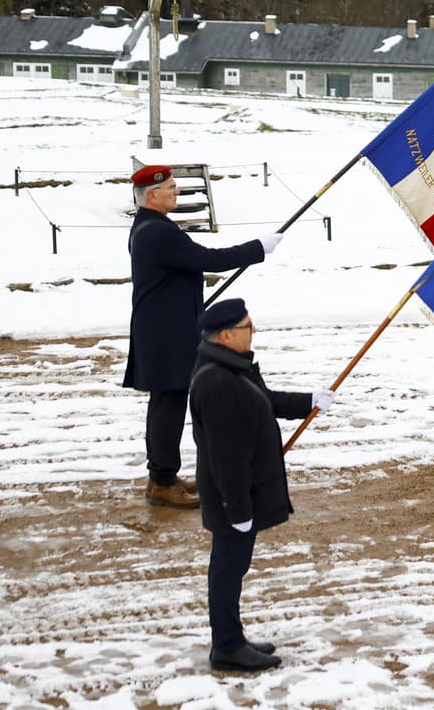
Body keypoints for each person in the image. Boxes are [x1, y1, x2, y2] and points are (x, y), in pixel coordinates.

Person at [188, 298, 334, 671]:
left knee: (233, 567)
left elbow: (263, 402)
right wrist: (236, 508)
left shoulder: (230, 366)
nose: (254, 332)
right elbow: (227, 459)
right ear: (225, 335)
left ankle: (231, 639)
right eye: (247, 327)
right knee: (227, 568)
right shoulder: (218, 382)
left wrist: (308, 402)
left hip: (237, 496)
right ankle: (226, 647)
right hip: (232, 498)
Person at [126, 164, 282, 508]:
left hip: (164, 328)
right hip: (167, 333)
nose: (176, 192)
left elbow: (182, 270)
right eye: (170, 188)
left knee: (166, 404)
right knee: (168, 406)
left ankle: (162, 477)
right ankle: (163, 482)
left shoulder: (149, 227)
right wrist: (258, 248)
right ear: (152, 195)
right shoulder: (157, 232)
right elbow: (208, 259)